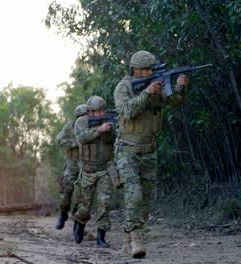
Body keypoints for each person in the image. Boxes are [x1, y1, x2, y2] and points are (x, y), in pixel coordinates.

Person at [113, 50, 189, 258]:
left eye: (151, 69)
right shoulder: (124, 87)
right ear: (134, 69)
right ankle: (137, 239)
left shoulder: (157, 84)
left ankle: (128, 239)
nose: (149, 72)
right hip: (127, 151)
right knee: (134, 195)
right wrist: (147, 93)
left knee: (146, 200)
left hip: (149, 150)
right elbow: (127, 111)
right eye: (145, 69)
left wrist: (180, 88)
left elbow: (174, 102)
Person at [72, 96, 113, 248]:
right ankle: (80, 223)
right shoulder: (81, 122)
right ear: (90, 112)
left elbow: (114, 140)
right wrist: (99, 130)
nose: (103, 113)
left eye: (104, 110)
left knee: (104, 203)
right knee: (85, 206)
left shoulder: (109, 121)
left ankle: (101, 238)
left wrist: (111, 128)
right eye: (99, 111)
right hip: (88, 171)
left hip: (103, 170)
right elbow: (81, 138)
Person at [54, 105, 85, 230]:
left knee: (82, 196)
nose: (81, 119)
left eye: (83, 116)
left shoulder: (91, 125)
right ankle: (63, 214)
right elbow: (59, 140)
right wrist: (74, 144)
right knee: (67, 192)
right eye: (79, 116)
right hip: (72, 165)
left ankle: (77, 223)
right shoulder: (70, 126)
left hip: (86, 165)